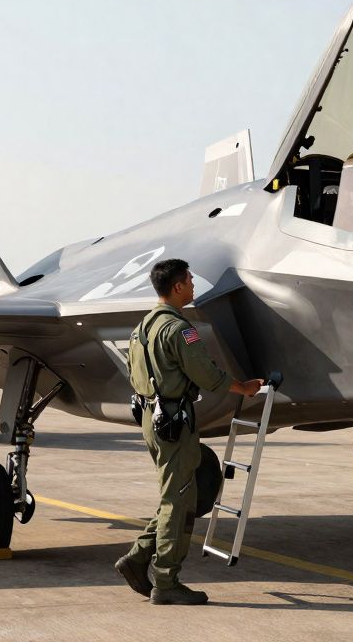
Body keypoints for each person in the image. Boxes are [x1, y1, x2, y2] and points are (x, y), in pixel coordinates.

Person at [115, 259, 263, 606]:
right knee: (178, 502)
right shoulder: (179, 330)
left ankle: (138, 557)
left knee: (178, 495)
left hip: (152, 419)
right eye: (190, 281)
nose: (194, 286)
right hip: (174, 424)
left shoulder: (141, 329)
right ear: (177, 287)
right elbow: (206, 374)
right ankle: (166, 582)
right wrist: (244, 387)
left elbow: (132, 373)